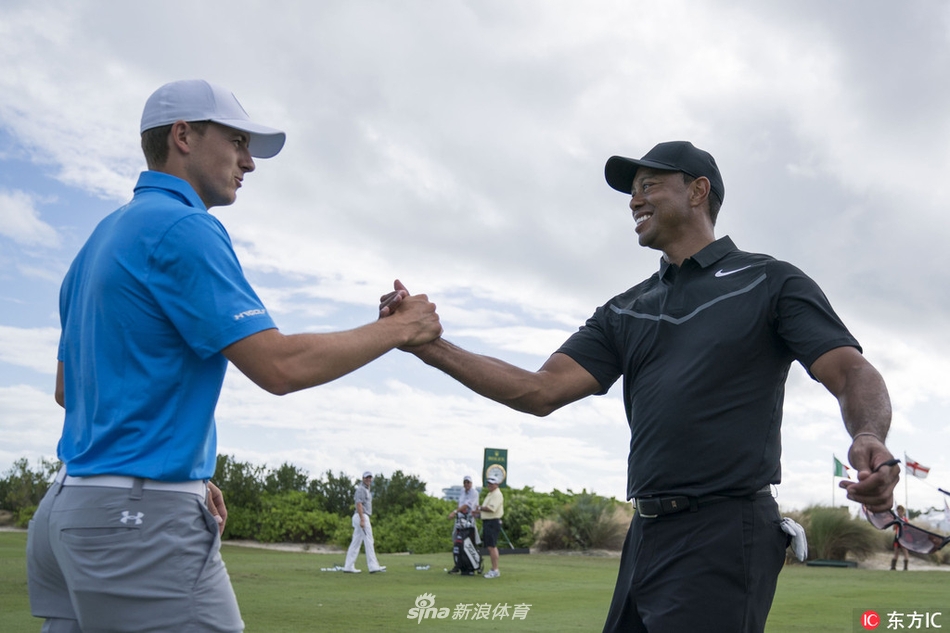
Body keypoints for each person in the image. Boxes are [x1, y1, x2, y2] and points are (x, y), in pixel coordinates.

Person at [379, 141, 899, 631]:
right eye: (633, 191)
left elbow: (852, 371)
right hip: (645, 533)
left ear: (698, 192)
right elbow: (538, 391)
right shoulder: (626, 309)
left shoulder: (768, 280)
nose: (634, 200)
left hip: (725, 530)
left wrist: (868, 436)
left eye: (649, 185)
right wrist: (428, 346)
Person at [27, 79, 440, 632]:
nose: (249, 161)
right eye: (237, 141)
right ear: (183, 137)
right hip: (136, 519)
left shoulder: (101, 238)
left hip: (68, 509)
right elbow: (279, 366)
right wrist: (399, 330)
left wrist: (185, 472)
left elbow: (67, 390)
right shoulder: (185, 227)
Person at [343, 472, 386, 574]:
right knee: (369, 540)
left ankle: (348, 566)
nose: (368, 479)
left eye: (370, 478)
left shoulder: (366, 489)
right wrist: (362, 519)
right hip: (361, 516)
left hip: (360, 516)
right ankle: (373, 566)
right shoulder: (361, 489)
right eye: (367, 478)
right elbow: (359, 504)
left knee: (356, 542)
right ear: (363, 478)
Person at [448, 475, 481, 574]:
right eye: (465, 482)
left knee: (471, 541)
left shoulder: (474, 492)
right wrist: (457, 512)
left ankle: (476, 563)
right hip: (460, 520)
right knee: (457, 540)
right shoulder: (462, 491)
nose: (466, 484)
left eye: (468, 482)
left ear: (471, 483)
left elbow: (467, 505)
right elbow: (460, 504)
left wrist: (454, 512)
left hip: (469, 520)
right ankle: (458, 564)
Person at [477, 474, 504, 579]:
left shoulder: (497, 494)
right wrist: (478, 513)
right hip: (488, 522)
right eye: (489, 483)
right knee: (489, 546)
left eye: (492, 483)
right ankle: (494, 569)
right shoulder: (490, 494)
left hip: (493, 522)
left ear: (496, 484)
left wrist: (479, 508)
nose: (490, 485)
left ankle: (495, 569)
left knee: (492, 546)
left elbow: (491, 509)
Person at [891, 504, 910, 570]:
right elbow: (893, 528)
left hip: (903, 537)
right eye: (898, 511)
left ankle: (905, 567)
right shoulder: (896, 519)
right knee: (896, 552)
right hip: (897, 537)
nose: (899, 513)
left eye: (900, 511)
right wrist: (896, 524)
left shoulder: (905, 520)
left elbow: (908, 529)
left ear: (902, 511)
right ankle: (893, 567)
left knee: (905, 552)